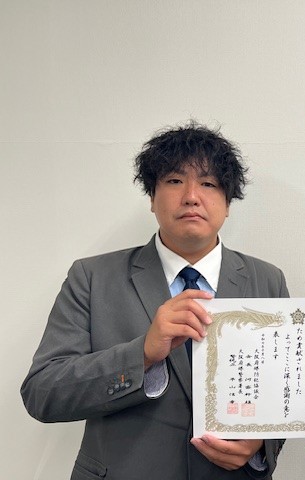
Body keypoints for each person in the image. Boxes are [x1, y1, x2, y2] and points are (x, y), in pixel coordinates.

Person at [21, 122, 289, 480]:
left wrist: (260, 446)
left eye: (209, 184)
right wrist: (142, 354)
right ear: (152, 198)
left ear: (228, 203)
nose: (191, 196)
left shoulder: (267, 280)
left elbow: (285, 392)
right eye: (175, 181)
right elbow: (42, 393)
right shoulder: (92, 277)